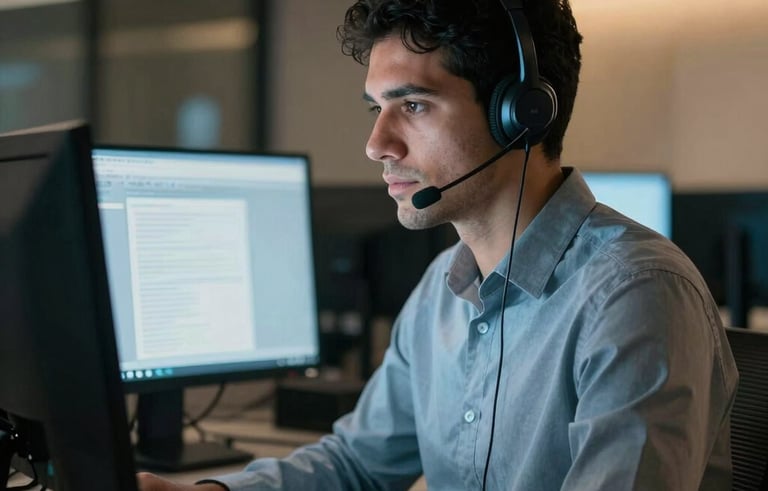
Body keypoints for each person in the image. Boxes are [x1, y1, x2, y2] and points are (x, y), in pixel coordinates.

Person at [138, 0, 738, 489]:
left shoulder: (635, 295)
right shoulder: (442, 293)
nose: (376, 144)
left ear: (520, 116)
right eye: (377, 108)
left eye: (413, 105)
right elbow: (358, 465)